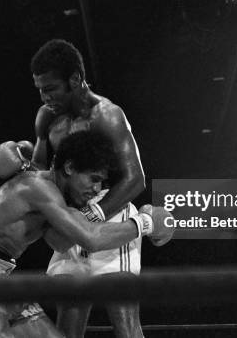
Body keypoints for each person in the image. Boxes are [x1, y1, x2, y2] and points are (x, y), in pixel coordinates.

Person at [0, 131, 171, 338]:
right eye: (93, 179)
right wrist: (146, 223)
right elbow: (92, 238)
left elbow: (61, 241)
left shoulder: (55, 200)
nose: (97, 189)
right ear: (69, 168)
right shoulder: (39, 188)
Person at [30, 39, 148, 338]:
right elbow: (39, 175)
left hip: (110, 210)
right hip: (69, 214)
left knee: (125, 324)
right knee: (68, 321)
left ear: (75, 79)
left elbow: (135, 179)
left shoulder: (107, 115)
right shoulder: (47, 117)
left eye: (51, 88)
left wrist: (91, 217)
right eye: (40, 89)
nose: (45, 97)